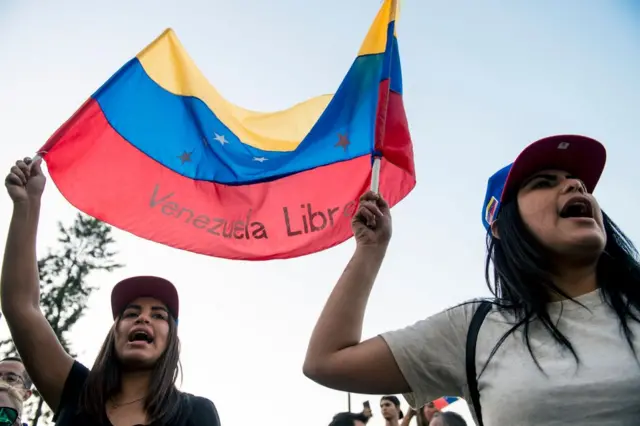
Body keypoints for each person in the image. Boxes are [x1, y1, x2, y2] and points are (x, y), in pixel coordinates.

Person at [303, 135, 640, 425]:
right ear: (500, 225)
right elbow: (326, 362)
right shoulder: (474, 330)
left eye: (576, 181)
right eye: (543, 182)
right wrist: (370, 250)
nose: (574, 185)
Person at [1, 156, 221, 426]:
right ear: (114, 332)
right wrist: (27, 204)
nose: (143, 318)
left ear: (171, 340)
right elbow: (21, 306)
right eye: (131, 313)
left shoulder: (195, 413)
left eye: (159, 315)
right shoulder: (75, 391)